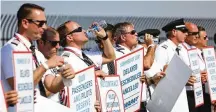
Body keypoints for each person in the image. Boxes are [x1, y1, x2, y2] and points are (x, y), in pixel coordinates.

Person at [1, 3, 67, 111]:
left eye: (45, 23)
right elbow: (19, 86)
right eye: (40, 23)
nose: (44, 27)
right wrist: (46, 65)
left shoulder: (36, 52)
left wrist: (65, 77)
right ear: (25, 23)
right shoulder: (10, 49)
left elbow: (51, 86)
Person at [56, 20, 115, 111]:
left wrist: (104, 37)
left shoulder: (84, 55)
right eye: (79, 29)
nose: (84, 30)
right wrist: (92, 76)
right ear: (70, 37)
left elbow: (110, 56)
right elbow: (68, 90)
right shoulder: (66, 59)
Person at [154, 18, 190, 112]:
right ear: (174, 32)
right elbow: (157, 77)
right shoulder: (162, 49)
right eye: (183, 31)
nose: (186, 33)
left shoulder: (183, 49)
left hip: (182, 97)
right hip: (168, 99)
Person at [37, 27, 75, 106]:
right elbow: (42, 92)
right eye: (54, 43)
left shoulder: (59, 60)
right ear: (41, 43)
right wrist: (61, 76)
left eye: (59, 42)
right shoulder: (36, 62)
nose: (58, 46)